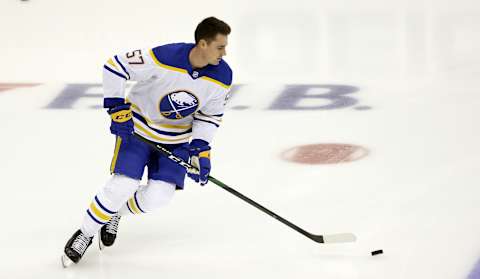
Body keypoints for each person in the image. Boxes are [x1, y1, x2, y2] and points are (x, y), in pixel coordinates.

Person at [62, 16, 232, 267]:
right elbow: (115, 66)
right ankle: (85, 233)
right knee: (122, 186)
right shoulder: (164, 57)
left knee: (158, 197)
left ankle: (114, 214)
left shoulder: (222, 76)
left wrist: (201, 148)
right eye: (220, 46)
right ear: (203, 44)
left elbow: (209, 116)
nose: (225, 53)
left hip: (177, 142)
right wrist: (117, 108)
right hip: (139, 131)